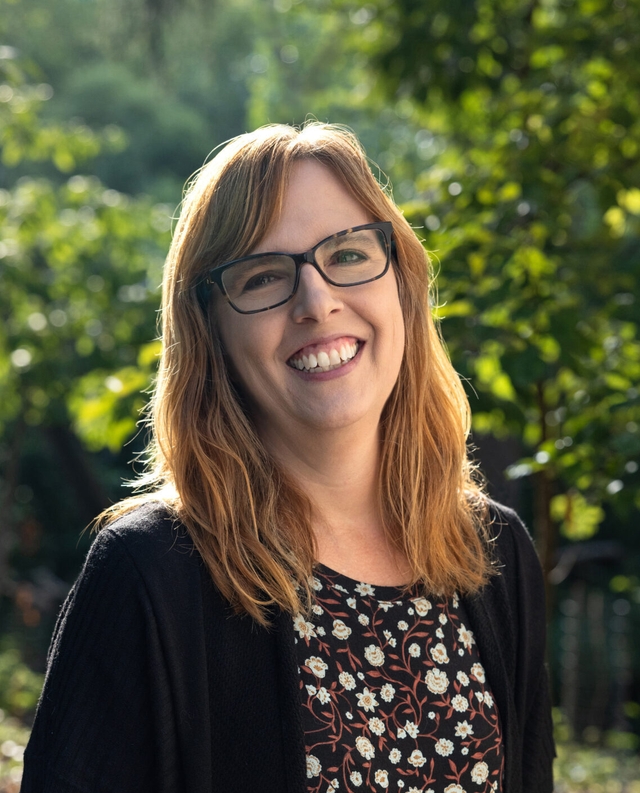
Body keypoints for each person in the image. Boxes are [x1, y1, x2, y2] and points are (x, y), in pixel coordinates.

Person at [22, 123, 554, 793]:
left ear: (403, 282)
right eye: (264, 275)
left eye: (349, 253)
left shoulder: (494, 552)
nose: (317, 302)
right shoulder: (148, 575)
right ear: (210, 328)